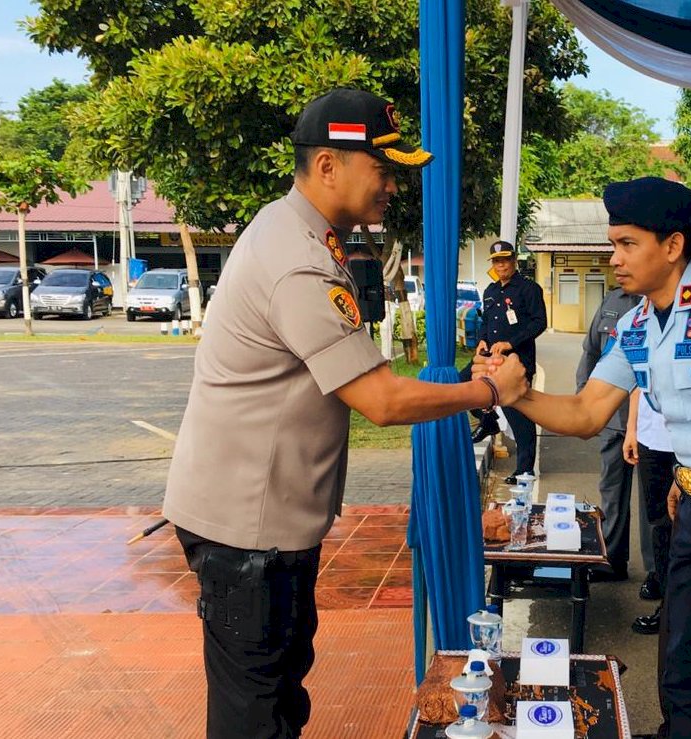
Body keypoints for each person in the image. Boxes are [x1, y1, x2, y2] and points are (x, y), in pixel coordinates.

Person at [161, 88, 528, 739]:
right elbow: (379, 398)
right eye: (380, 167)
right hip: (246, 532)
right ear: (327, 165)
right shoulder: (298, 261)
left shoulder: (301, 236)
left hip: (261, 524)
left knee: (276, 693)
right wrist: (487, 392)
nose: (391, 183)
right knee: (255, 712)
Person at [476, 176, 691, 737]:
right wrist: (518, 395)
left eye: (627, 244)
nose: (615, 258)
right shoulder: (635, 327)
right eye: (613, 244)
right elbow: (585, 414)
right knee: (686, 666)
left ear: (673, 245)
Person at [575, 286, 642, 580]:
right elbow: (591, 352)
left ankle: (656, 573)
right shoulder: (612, 300)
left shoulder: (667, 300)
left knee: (653, 502)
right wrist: (583, 400)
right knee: (612, 491)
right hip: (613, 417)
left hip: (650, 422)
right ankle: (612, 560)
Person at [477, 239, 547, 484]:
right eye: (496, 261)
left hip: (518, 361)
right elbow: (486, 322)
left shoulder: (529, 289)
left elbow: (539, 323)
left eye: (505, 260)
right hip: (491, 359)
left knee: (518, 412)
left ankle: (525, 469)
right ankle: (489, 421)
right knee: (464, 384)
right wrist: (482, 340)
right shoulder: (491, 291)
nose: (501, 265)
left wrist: (510, 343)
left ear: (514, 261)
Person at [624, 389, 676, 634]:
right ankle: (668, 609)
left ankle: (684, 609)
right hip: (650, 440)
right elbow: (637, 381)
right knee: (660, 526)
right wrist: (632, 429)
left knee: (686, 529)